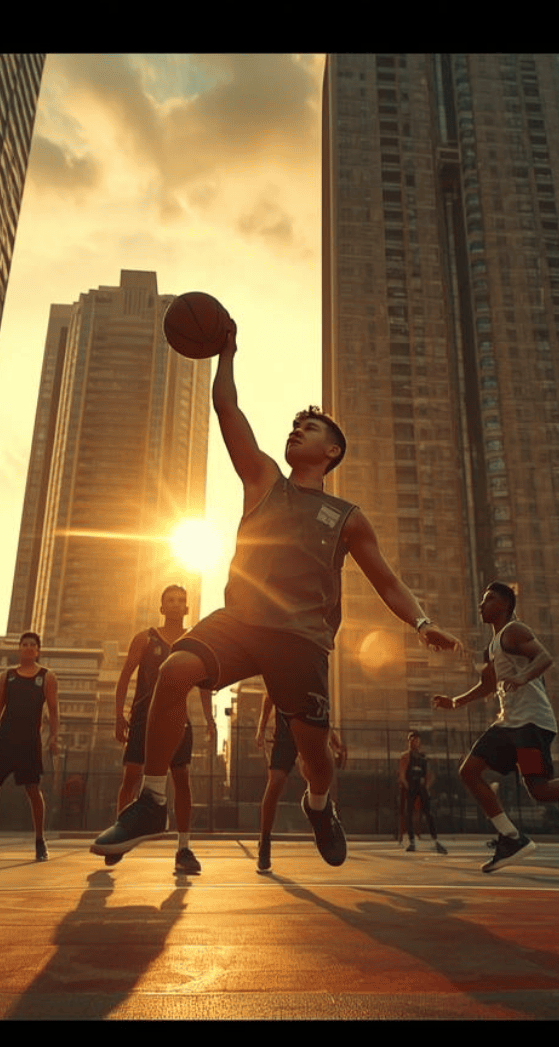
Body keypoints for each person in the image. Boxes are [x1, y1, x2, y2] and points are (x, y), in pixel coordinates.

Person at [92, 320, 461, 866]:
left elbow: (386, 579)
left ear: (332, 450)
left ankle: (318, 804)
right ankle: (151, 802)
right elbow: (228, 412)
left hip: (302, 638)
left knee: (315, 757)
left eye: (308, 428)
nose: (296, 430)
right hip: (240, 620)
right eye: (293, 424)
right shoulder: (264, 478)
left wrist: (422, 622)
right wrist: (226, 354)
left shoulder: (347, 517)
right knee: (172, 672)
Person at [433, 581, 559, 873]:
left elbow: (545, 657)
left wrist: (523, 677)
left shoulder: (515, 630)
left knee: (537, 787)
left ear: (504, 605)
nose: (481, 604)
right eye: (482, 600)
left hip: (530, 723)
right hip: (511, 723)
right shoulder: (494, 645)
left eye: (489, 599)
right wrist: (454, 703)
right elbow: (487, 685)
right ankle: (511, 837)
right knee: (476, 773)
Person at [107, 586, 217, 874]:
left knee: (181, 779)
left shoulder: (195, 640)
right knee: (131, 776)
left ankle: (183, 848)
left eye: (181, 600)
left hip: (178, 717)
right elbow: (125, 677)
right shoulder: (144, 638)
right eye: (170, 600)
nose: (176, 604)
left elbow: (204, 683)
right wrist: (118, 715)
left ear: (186, 608)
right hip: (143, 716)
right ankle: (121, 833)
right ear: (162, 606)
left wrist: (209, 718)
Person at [0, 632, 60, 862]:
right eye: (25, 644)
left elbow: (53, 710)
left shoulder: (47, 676)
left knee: (33, 790)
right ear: (19, 649)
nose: (29, 648)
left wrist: (54, 737)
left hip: (29, 742)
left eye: (33, 645)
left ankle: (40, 841)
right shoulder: (7, 675)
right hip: (4, 740)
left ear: (38, 650)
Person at [253, 693, 345, 873]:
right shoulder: (281, 669)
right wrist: (261, 728)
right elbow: (270, 696)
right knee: (276, 782)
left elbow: (318, 707)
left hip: (309, 733)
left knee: (318, 775)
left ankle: (323, 812)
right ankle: (264, 843)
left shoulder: (312, 671)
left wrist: (331, 735)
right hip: (284, 737)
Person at [396, 730, 446, 855]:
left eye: (417, 740)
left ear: (419, 742)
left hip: (421, 787)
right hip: (409, 787)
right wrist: (407, 787)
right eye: (412, 740)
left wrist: (426, 786)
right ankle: (412, 842)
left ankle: (436, 840)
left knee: (428, 813)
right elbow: (402, 774)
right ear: (409, 742)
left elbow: (430, 774)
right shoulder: (405, 756)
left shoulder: (423, 757)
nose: (415, 742)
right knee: (409, 814)